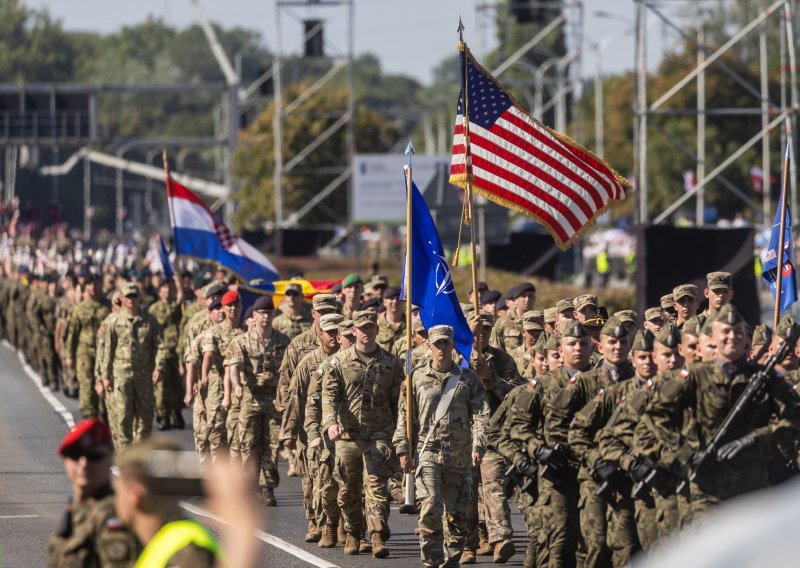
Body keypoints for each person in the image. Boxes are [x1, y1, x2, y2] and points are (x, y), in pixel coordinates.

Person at [394, 324, 489, 568]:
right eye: (437, 344)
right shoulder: (415, 377)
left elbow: (480, 414)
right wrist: (403, 448)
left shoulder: (468, 379)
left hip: (459, 455)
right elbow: (405, 416)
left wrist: (479, 445)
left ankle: (452, 559)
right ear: (429, 345)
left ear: (453, 345)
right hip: (428, 453)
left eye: (446, 343)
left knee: (457, 513)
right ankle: (431, 559)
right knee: (430, 505)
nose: (442, 348)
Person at [321, 310, 404, 558]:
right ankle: (353, 535)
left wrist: (400, 435)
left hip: (379, 433)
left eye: (371, 328)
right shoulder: (339, 362)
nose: (367, 332)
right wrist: (330, 423)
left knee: (376, 486)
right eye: (362, 328)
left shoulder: (391, 362)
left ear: (377, 330)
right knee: (348, 490)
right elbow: (329, 396)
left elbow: (399, 402)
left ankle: (377, 536)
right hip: (348, 435)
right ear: (353, 331)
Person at [112, 437, 221, 567]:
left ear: (134, 495)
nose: (114, 500)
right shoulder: (165, 541)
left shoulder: (186, 554)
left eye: (117, 491)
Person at [281, 312, 342, 538]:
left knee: (339, 478)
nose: (335, 336)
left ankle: (338, 525)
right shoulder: (308, 362)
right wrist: (289, 431)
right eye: (331, 332)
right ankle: (315, 522)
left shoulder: (346, 358)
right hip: (310, 429)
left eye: (338, 331)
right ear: (321, 333)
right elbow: (296, 397)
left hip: (339, 429)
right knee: (312, 479)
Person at [49, 418, 139, 567]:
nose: (84, 464)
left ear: (110, 459)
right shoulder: (76, 513)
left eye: (94, 457)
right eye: (75, 456)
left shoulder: (113, 517)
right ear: (65, 461)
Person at [228, 295, 290, 506]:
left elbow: (289, 370)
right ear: (254, 315)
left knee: (272, 445)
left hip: (274, 401)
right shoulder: (241, 342)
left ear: (273, 315)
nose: (265, 317)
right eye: (261, 313)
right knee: (249, 445)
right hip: (250, 399)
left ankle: (267, 488)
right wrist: (236, 385)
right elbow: (234, 367)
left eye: (269, 313)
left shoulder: (283, 341)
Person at [101, 283, 167, 449]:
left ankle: (140, 452)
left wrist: (159, 367)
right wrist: (105, 376)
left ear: (139, 298)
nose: (131, 300)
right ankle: (126, 452)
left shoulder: (150, 322)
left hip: (144, 376)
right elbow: (107, 350)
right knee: (123, 414)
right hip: (121, 375)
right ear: (122, 299)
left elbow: (160, 346)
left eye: (134, 296)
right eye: (128, 296)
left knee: (145, 416)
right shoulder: (114, 322)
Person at [66, 274, 110, 418]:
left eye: (95, 283)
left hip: (104, 353)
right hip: (84, 352)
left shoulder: (108, 306)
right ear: (86, 287)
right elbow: (72, 333)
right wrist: (69, 356)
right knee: (86, 385)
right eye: (90, 284)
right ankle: (89, 417)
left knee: (105, 385)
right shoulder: (79, 309)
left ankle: (105, 416)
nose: (93, 287)